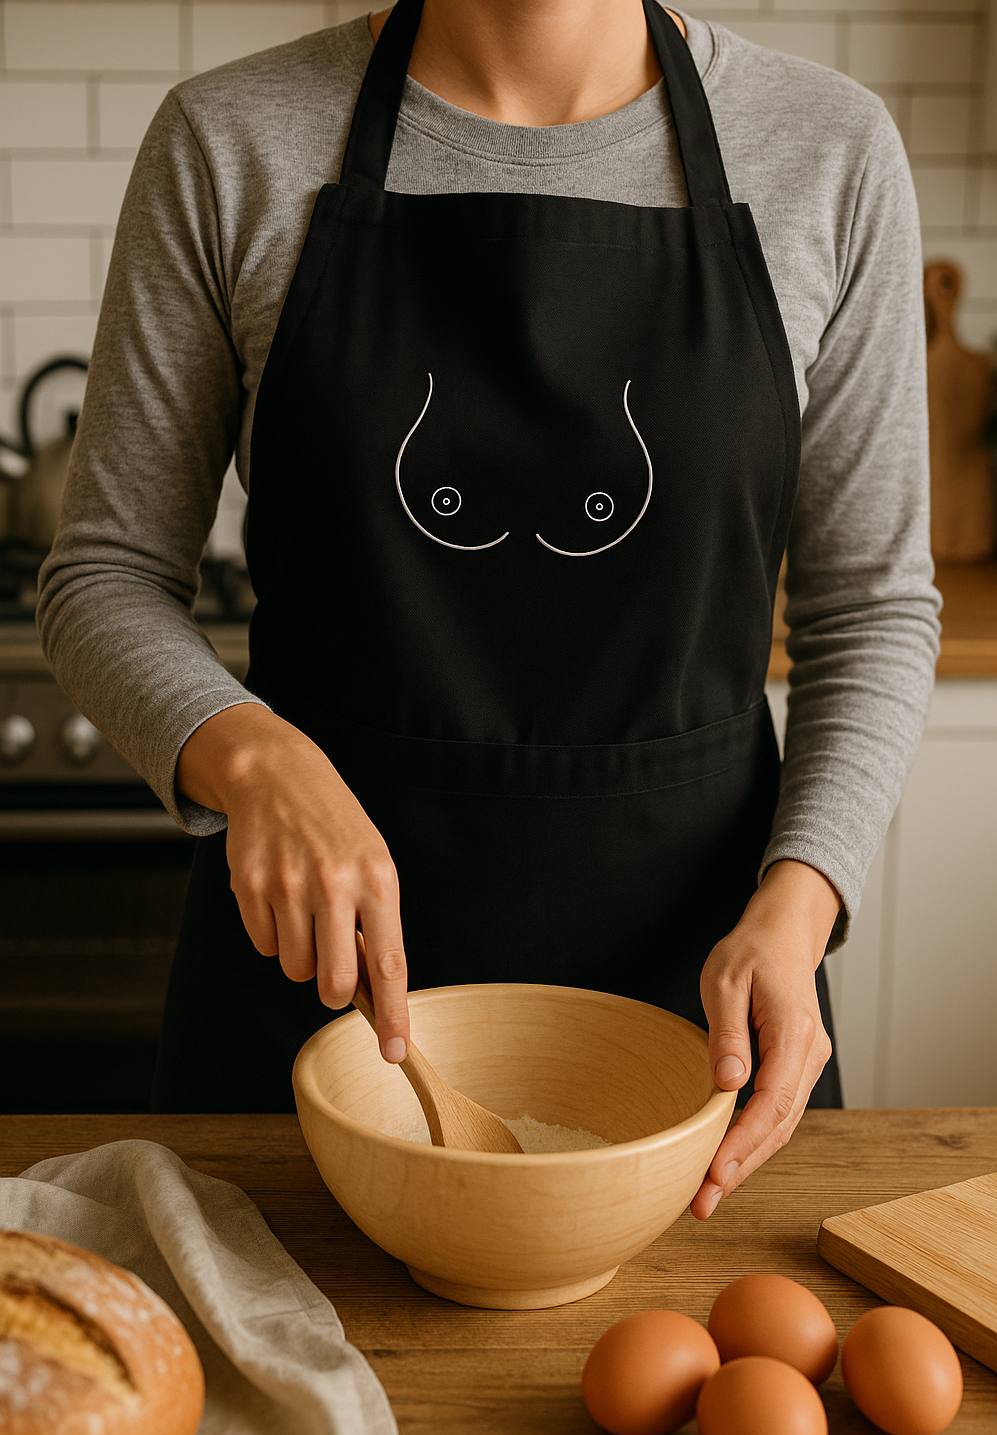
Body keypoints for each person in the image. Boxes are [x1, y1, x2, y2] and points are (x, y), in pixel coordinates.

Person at [38, 0, 940, 1220]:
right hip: (315, 997)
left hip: (700, 1003)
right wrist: (246, 755)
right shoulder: (231, 139)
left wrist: (801, 905)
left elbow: (873, 607)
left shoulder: (827, 147)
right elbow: (102, 573)